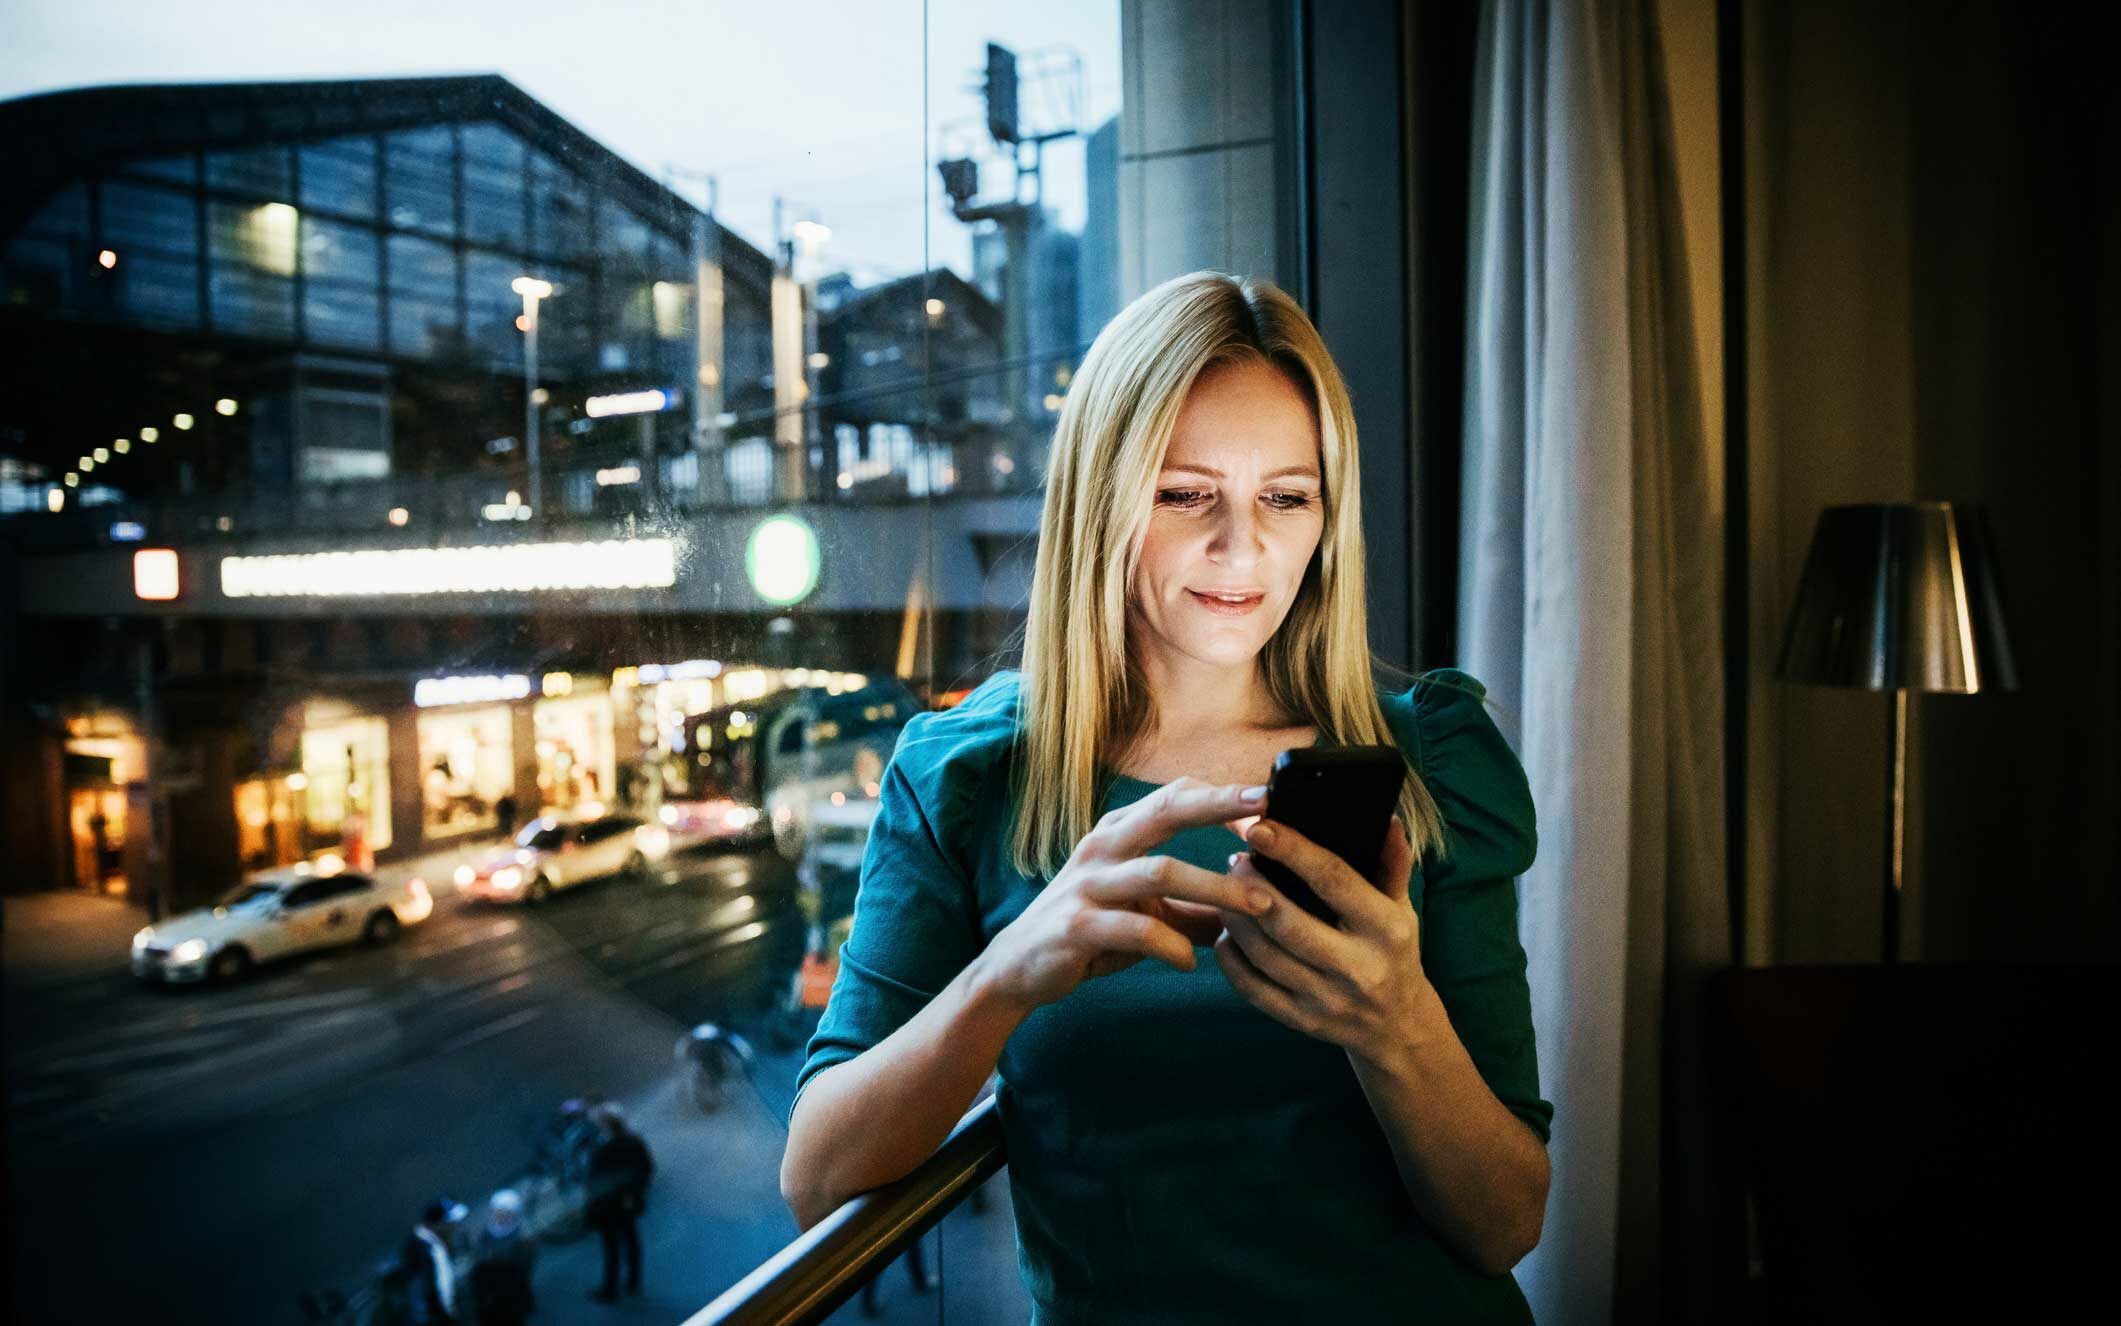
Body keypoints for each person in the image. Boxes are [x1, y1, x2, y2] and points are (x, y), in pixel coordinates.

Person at [781, 272, 1552, 1323]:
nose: (1245, 548)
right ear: (1102, 497)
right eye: (1186, 493)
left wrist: (1393, 1022)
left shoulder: (1430, 760)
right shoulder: (967, 776)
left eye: (1288, 496)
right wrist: (1007, 974)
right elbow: (818, 1179)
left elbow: (1506, 1222)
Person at [584, 1102, 653, 1303]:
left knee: (611, 1246)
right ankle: (633, 1281)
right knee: (631, 1240)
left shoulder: (604, 1149)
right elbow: (647, 1168)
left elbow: (595, 1180)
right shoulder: (634, 1142)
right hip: (628, 1202)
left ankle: (610, 1289)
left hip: (608, 1207)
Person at [467, 1189, 537, 1326]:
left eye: (507, 1212)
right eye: (499, 1211)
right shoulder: (485, 1235)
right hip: (489, 1296)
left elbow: (524, 1269)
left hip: (510, 1296)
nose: (502, 1215)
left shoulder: (522, 1240)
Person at [399, 1198, 467, 1325]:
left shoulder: (430, 1245)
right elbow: (423, 1298)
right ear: (438, 1225)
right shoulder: (425, 1252)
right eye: (451, 1223)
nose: (455, 1227)